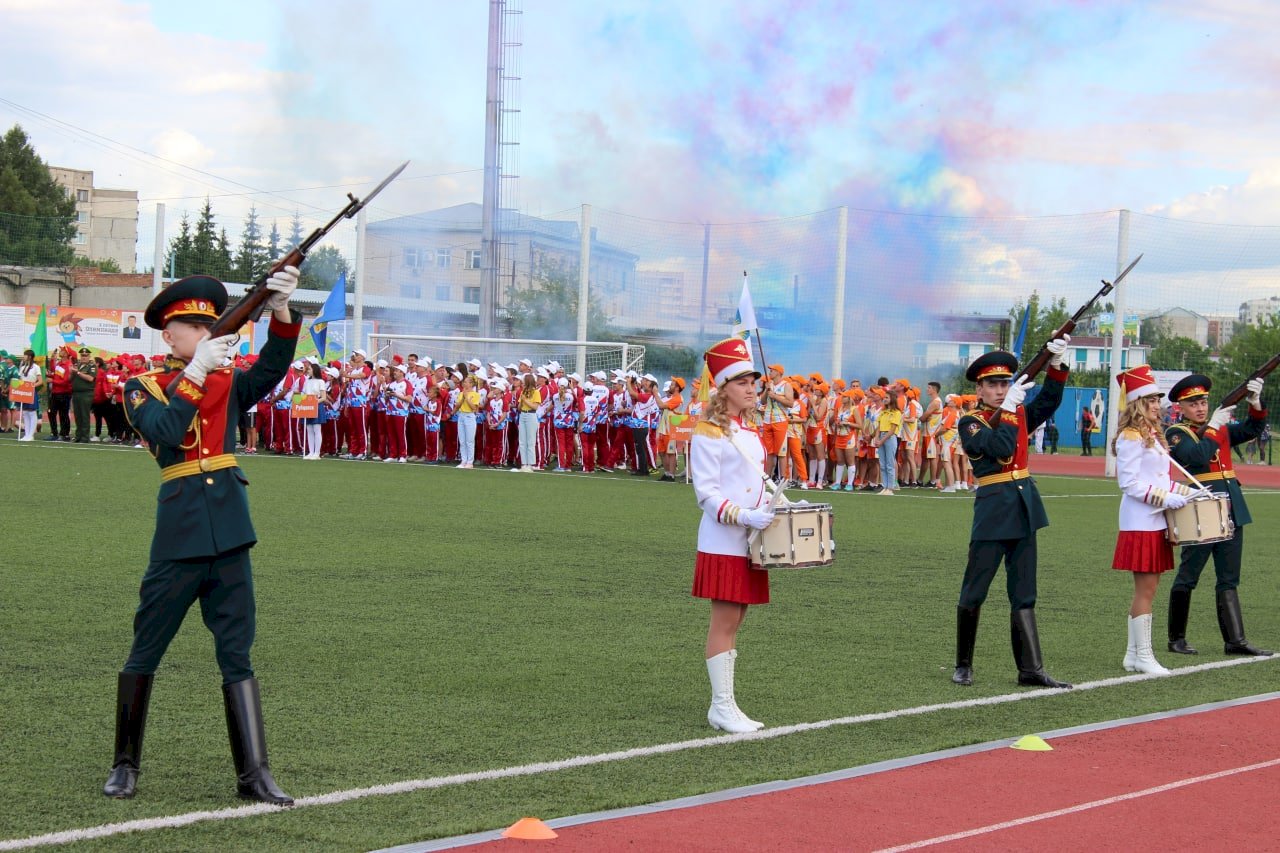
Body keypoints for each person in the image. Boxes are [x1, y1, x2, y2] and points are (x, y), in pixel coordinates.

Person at [103, 266, 300, 804]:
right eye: (195, 327)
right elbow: (167, 431)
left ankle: (254, 773)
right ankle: (125, 764)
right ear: (170, 335)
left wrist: (281, 310)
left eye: (210, 325)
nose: (206, 334)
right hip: (181, 533)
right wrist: (195, 373)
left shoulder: (227, 380)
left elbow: (274, 369)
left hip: (231, 530)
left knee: (238, 653)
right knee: (147, 648)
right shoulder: (142, 387)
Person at [953, 340, 1073, 690]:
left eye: (1005, 383)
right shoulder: (971, 423)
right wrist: (1007, 410)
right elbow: (1001, 447)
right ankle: (963, 664)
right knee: (975, 590)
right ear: (979, 388)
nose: (1000, 389)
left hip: (1023, 506)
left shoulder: (1015, 413)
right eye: (992, 384)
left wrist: (1057, 365)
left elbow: (1049, 401)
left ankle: (1031, 668)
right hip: (993, 509)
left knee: (1024, 592)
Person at [690, 337, 774, 734]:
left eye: (753, 381)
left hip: (748, 538)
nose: (751, 388)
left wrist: (774, 509)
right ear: (723, 388)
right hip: (724, 538)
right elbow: (706, 493)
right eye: (742, 382)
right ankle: (721, 707)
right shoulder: (708, 431)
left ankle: (726, 704)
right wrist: (745, 516)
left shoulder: (747, 430)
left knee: (736, 618)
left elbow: (754, 484)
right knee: (724, 620)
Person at [1164, 373, 1272, 657]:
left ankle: (1235, 640)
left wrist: (1255, 402)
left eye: (1203, 401)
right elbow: (1197, 457)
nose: (1200, 407)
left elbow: (1253, 428)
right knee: (1189, 576)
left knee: (1229, 577)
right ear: (1182, 407)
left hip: (1231, 506)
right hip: (1202, 508)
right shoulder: (1177, 433)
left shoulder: (1218, 429)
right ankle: (1176, 638)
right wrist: (1213, 425)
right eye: (1193, 403)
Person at [1112, 366, 1190, 675]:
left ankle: (1134, 655)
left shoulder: (1151, 435)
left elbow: (1158, 478)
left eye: (1157, 399)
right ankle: (1143, 655)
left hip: (1155, 520)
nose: (1157, 405)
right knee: (1145, 591)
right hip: (1140, 521)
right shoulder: (1131, 436)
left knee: (1150, 588)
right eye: (1150, 400)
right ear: (1136, 403)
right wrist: (1165, 498)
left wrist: (1184, 492)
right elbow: (1129, 483)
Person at [70, 346, 98, 442]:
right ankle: (78, 436)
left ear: (89, 356)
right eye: (82, 355)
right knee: (77, 416)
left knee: (84, 415)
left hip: (86, 393)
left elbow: (90, 378)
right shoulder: (77, 365)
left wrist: (77, 372)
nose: (84, 357)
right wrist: (72, 372)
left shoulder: (92, 366)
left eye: (86, 356)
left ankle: (85, 437)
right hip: (76, 393)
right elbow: (70, 379)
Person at [15, 349, 43, 441]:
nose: (24, 357)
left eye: (25, 355)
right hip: (23, 391)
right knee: (25, 412)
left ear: (30, 356)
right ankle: (26, 434)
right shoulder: (23, 367)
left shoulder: (36, 367)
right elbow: (20, 379)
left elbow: (40, 381)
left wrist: (31, 386)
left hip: (30, 391)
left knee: (32, 412)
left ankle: (31, 435)